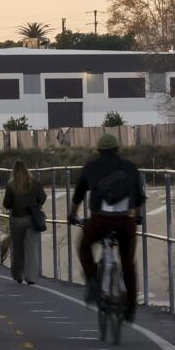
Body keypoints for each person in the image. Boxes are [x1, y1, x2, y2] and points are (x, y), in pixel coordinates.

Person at [69, 133, 145, 318]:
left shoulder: (91, 167)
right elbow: (140, 197)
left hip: (100, 220)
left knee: (84, 246)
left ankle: (94, 282)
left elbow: (79, 194)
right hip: (125, 220)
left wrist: (72, 214)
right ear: (118, 148)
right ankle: (131, 306)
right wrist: (138, 217)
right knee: (127, 261)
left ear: (99, 150)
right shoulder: (129, 167)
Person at [2, 159, 46, 284]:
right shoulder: (35, 183)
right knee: (32, 248)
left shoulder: (11, 185)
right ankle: (31, 276)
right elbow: (43, 197)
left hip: (17, 219)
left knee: (18, 248)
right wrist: (36, 205)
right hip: (32, 219)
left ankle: (18, 274)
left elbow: (7, 204)